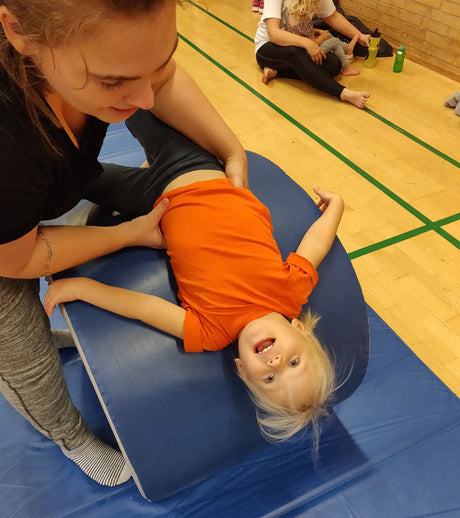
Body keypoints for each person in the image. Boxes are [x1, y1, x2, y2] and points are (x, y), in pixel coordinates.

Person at [0, 0, 247, 487]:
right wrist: (126, 234)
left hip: (42, 179)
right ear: (18, 32)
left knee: (150, 189)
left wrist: (230, 150)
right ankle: (70, 437)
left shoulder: (94, 68)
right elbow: (17, 258)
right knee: (17, 337)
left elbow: (166, 81)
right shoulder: (10, 140)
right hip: (8, 244)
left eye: (154, 64)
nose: (145, 97)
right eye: (112, 82)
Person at [45, 111, 344, 444]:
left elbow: (144, 307)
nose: (275, 362)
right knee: (129, 104)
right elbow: (315, 245)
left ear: (242, 369)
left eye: (270, 379)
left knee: (70, 176)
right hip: (193, 167)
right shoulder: (291, 291)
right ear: (300, 328)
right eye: (294, 362)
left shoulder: (210, 333)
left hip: (150, 200)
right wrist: (336, 208)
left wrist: (83, 288)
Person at [255, 0, 371, 108]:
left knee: (334, 64)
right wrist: (308, 43)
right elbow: (274, 34)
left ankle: (277, 72)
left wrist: (359, 36)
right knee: (294, 52)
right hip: (268, 47)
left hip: (298, 45)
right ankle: (343, 93)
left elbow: (333, 16)